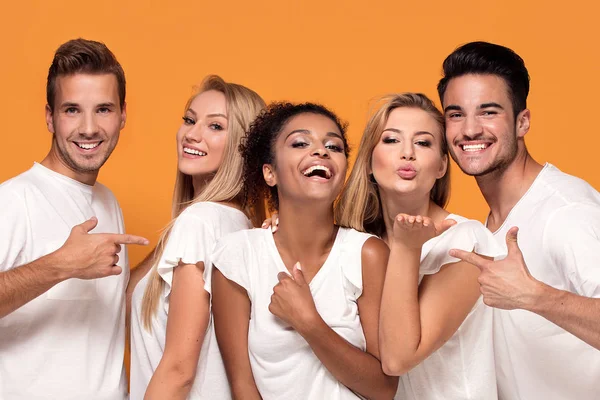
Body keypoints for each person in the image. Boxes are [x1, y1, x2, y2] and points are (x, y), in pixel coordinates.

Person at [438, 41, 600, 399]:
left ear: (522, 121)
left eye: (488, 112)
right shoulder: (491, 222)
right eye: (456, 114)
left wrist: (534, 296)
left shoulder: (566, 210)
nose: (469, 130)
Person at [210, 102, 398, 399]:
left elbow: (384, 389)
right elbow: (242, 386)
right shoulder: (238, 256)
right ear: (270, 173)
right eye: (300, 143)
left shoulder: (367, 254)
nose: (321, 151)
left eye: (333, 147)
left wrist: (308, 322)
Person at [0, 38, 148, 400]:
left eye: (103, 109)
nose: (88, 128)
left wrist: (177, 236)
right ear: (49, 116)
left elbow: (113, 306)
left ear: (123, 114)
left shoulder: (107, 201)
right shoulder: (13, 200)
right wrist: (61, 265)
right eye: (71, 110)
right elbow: (68, 266)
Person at [335, 93, 504, 399]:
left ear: (442, 165)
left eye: (423, 143)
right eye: (391, 140)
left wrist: (406, 248)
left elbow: (398, 358)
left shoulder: (465, 241)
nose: (407, 153)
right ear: (369, 162)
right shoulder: (354, 244)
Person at [129, 75, 265, 400]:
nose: (192, 133)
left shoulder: (200, 223)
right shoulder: (242, 225)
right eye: (190, 120)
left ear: (245, 146)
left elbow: (179, 371)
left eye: (215, 126)